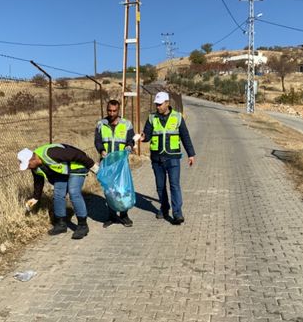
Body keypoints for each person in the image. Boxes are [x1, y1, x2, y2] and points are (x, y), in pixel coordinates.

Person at [17, 143, 99, 240]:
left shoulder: (52, 153)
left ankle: (82, 226)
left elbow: (76, 154)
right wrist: (35, 198)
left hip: (76, 166)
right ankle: (61, 224)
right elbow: (38, 181)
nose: (28, 167)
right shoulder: (34, 167)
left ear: (33, 159)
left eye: (28, 164)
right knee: (58, 194)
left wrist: (92, 166)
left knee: (73, 192)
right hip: (63, 171)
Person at [140, 91, 195, 225]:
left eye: (160, 104)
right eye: (156, 104)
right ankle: (164, 208)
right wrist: (143, 137)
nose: (157, 107)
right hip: (157, 158)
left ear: (167, 103)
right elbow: (147, 134)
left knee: (174, 185)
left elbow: (185, 136)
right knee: (160, 187)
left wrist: (191, 154)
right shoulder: (152, 118)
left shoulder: (177, 117)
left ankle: (177, 213)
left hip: (173, 158)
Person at [94, 99, 136, 228]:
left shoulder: (127, 124)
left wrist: (129, 146)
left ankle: (124, 215)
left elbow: (131, 140)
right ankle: (111, 216)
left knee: (122, 189)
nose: (111, 113)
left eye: (114, 111)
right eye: (109, 110)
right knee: (109, 190)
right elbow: (97, 141)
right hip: (107, 163)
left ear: (118, 110)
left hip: (121, 163)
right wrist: (101, 150)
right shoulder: (101, 124)